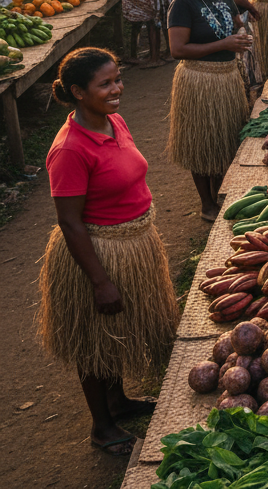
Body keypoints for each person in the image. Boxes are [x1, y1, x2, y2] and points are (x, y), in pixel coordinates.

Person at [38, 48, 179, 456]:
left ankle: (118, 402)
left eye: (118, 79)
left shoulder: (113, 120)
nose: (117, 88)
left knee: (112, 335)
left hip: (132, 242)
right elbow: (69, 221)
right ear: (79, 92)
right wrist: (100, 280)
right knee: (94, 341)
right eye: (106, 84)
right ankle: (102, 426)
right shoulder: (69, 149)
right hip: (98, 250)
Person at [167, 0, 252, 221]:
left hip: (228, 76)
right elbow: (177, 49)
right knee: (202, 142)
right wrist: (223, 44)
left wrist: (242, 34)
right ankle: (207, 204)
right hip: (199, 80)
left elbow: (237, 21)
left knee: (225, 137)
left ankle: (223, 193)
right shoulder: (182, 4)